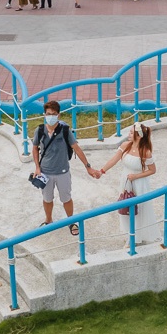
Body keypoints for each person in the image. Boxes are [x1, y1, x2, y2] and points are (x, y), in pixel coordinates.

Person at [32, 101, 100, 235]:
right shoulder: (39, 130)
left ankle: (71, 221)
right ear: (44, 114)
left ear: (58, 115)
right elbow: (35, 148)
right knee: (47, 199)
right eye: (48, 114)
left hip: (63, 172)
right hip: (45, 172)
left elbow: (77, 148)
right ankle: (48, 220)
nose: (51, 116)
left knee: (66, 198)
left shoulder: (64, 130)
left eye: (53, 114)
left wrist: (88, 167)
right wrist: (37, 168)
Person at [98, 122, 158, 246]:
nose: (128, 134)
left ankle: (136, 237)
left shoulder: (145, 152)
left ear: (139, 135)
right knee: (126, 207)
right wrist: (102, 171)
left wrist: (136, 176)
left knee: (138, 209)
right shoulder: (125, 145)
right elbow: (114, 160)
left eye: (131, 132)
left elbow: (152, 170)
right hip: (125, 181)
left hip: (139, 183)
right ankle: (129, 234)